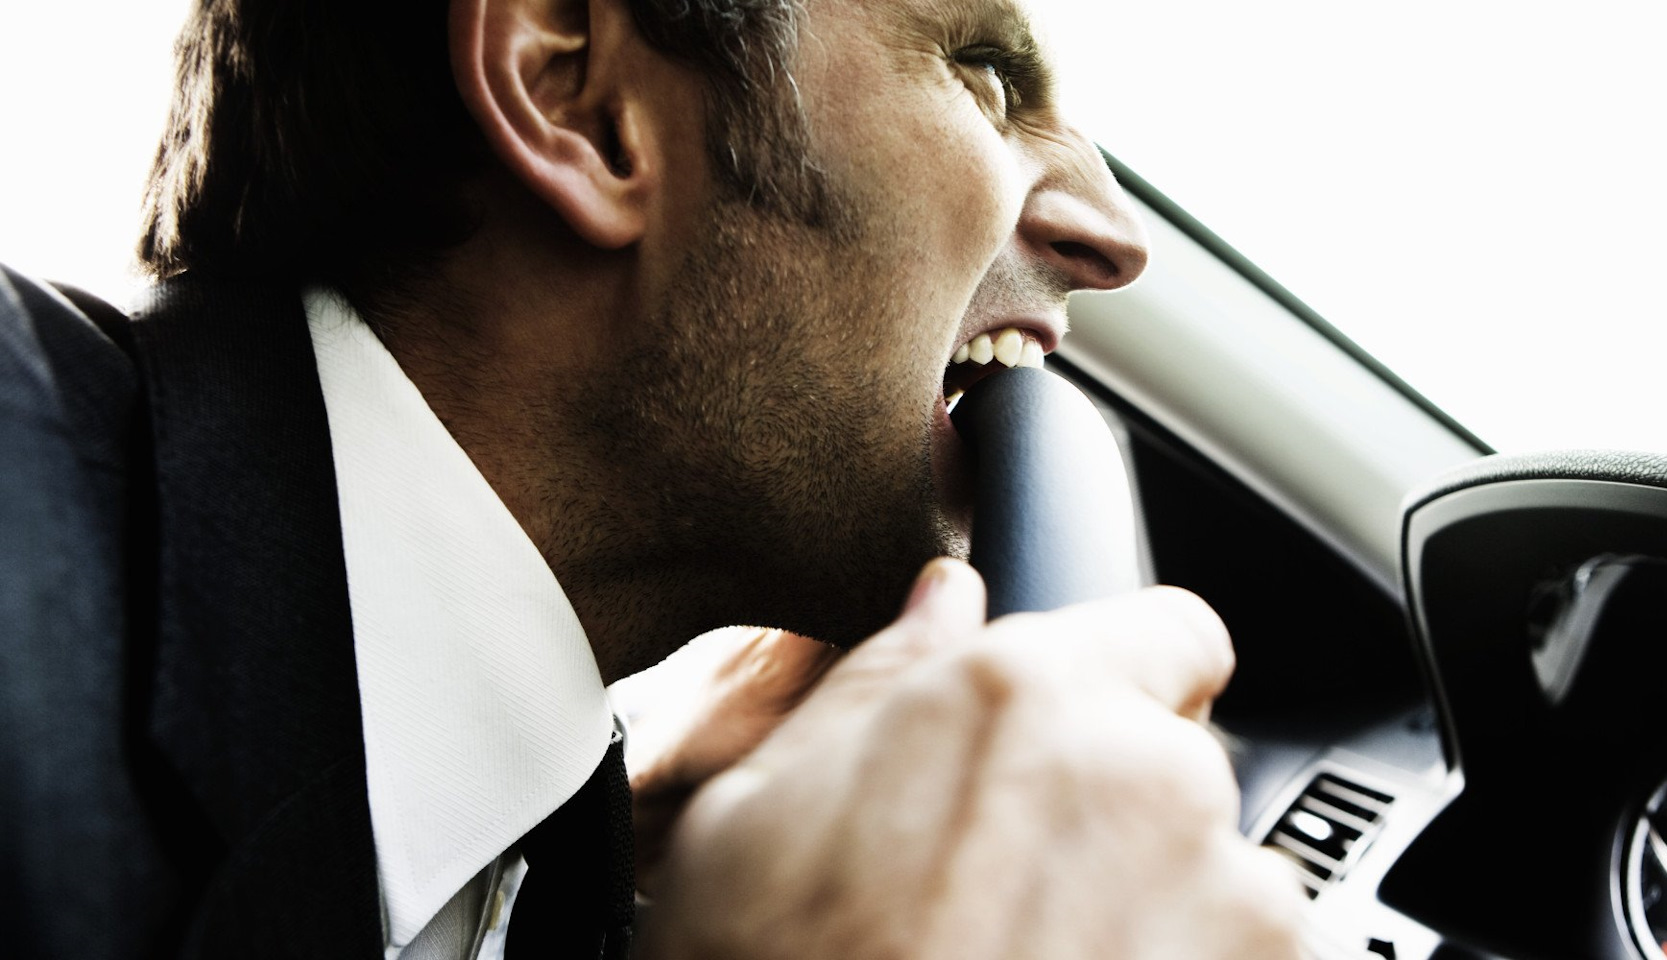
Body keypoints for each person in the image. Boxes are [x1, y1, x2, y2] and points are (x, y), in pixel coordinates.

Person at [0, 0, 1306, 957]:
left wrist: (608, 841)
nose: (1115, 238)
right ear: (576, 99)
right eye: (983, 74)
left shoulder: (575, 851)